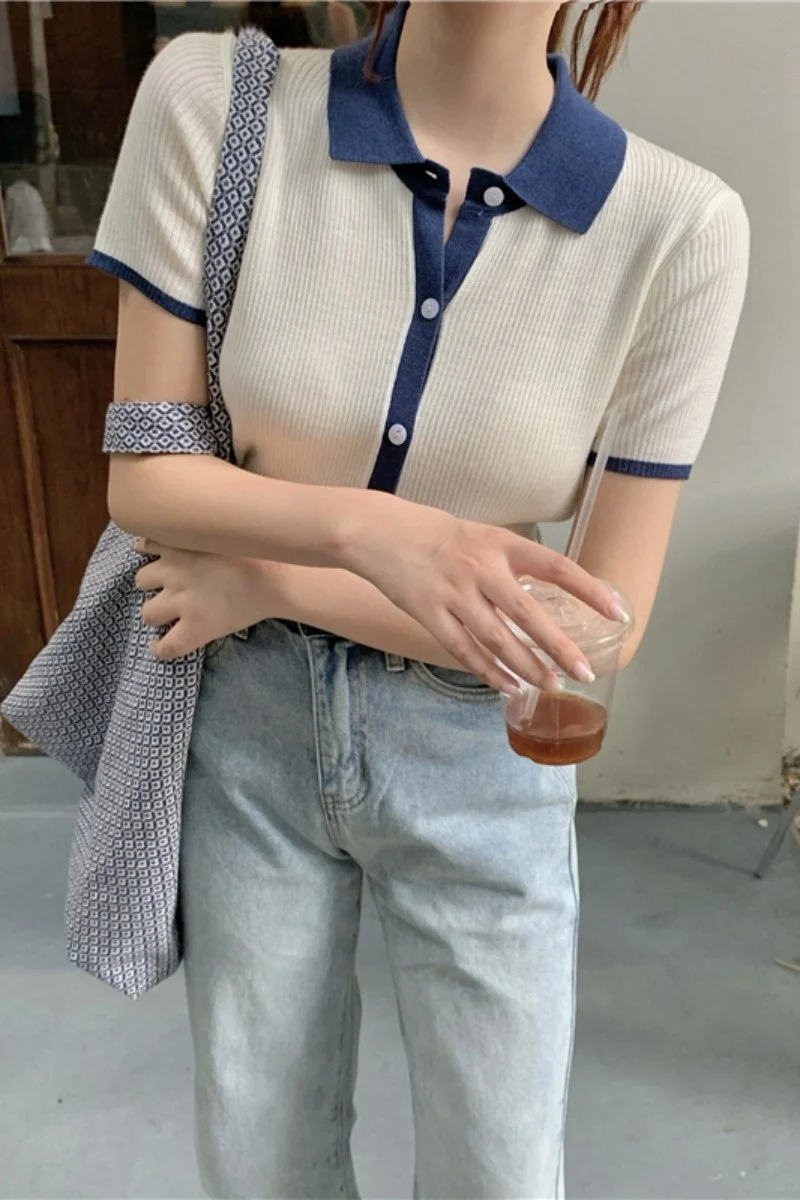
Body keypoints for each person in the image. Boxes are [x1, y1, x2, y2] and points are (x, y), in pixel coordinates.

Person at [86, 1, 749, 1195]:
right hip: (245, 727)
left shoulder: (678, 225)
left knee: (500, 1170)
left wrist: (270, 575)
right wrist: (378, 534)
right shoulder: (213, 105)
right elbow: (146, 478)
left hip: (481, 745)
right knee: (261, 1157)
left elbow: (597, 625)